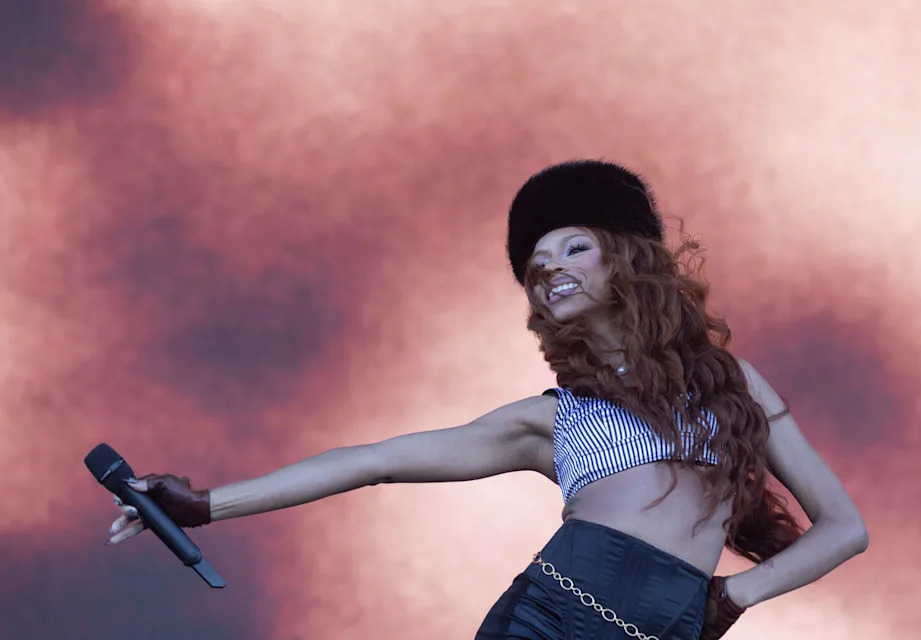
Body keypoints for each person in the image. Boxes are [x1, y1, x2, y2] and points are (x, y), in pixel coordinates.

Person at [105, 160, 869, 640]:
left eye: (572, 246)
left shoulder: (732, 383)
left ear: (627, 258)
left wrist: (733, 598)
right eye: (536, 266)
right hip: (546, 616)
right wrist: (206, 504)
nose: (549, 269)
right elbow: (375, 461)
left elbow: (843, 528)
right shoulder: (551, 420)